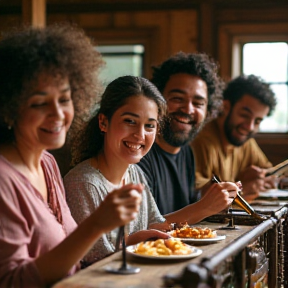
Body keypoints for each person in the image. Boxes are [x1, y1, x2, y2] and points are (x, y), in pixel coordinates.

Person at [0, 24, 143, 288]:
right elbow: (12, 281)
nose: (57, 114)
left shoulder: (47, 163)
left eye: (64, 100)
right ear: (9, 108)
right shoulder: (4, 180)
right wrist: (97, 224)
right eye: (40, 103)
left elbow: (68, 256)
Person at [64, 75, 238, 266]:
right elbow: (91, 261)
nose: (140, 135)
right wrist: (132, 241)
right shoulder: (83, 183)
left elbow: (155, 224)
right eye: (130, 121)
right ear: (103, 122)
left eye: (149, 126)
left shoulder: (135, 173)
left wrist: (208, 207)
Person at [137, 51, 236, 215]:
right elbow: (141, 229)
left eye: (198, 103)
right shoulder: (139, 153)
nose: (188, 109)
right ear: (156, 99)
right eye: (177, 98)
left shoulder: (186, 153)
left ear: (208, 110)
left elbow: (184, 210)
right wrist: (204, 207)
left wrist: (208, 196)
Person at [191, 74, 277, 202]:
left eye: (257, 121)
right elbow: (194, 195)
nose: (249, 126)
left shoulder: (246, 142)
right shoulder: (201, 141)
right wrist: (242, 188)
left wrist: (263, 178)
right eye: (244, 115)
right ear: (225, 107)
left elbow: (268, 172)